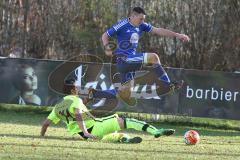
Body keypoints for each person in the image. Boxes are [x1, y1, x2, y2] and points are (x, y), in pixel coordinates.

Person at [89, 7, 190, 106]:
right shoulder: (123, 24)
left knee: (125, 93)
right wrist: (107, 48)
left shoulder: (142, 25)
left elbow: (158, 30)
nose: (142, 21)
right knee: (153, 57)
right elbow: (105, 35)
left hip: (129, 62)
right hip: (124, 60)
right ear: (133, 16)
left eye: (143, 19)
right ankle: (168, 84)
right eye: (140, 19)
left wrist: (177, 35)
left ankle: (94, 94)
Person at [40, 79, 175, 143]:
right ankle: (155, 131)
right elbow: (78, 115)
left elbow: (46, 124)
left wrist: (42, 136)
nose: (78, 89)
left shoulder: (58, 106)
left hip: (87, 136)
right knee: (124, 121)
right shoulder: (75, 100)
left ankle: (125, 141)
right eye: (76, 88)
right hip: (93, 128)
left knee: (118, 135)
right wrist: (87, 132)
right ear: (72, 90)